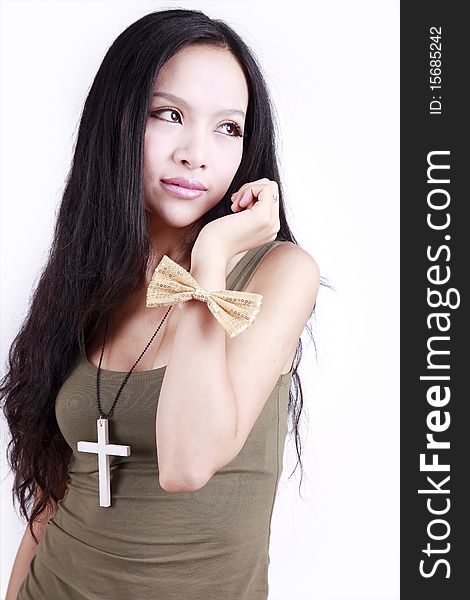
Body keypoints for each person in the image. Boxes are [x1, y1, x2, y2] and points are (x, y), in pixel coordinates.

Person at [1, 8, 324, 599]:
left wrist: (212, 257)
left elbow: (187, 463)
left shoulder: (278, 274)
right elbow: (53, 494)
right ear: (119, 123)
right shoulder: (91, 280)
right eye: (168, 115)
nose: (196, 153)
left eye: (229, 127)